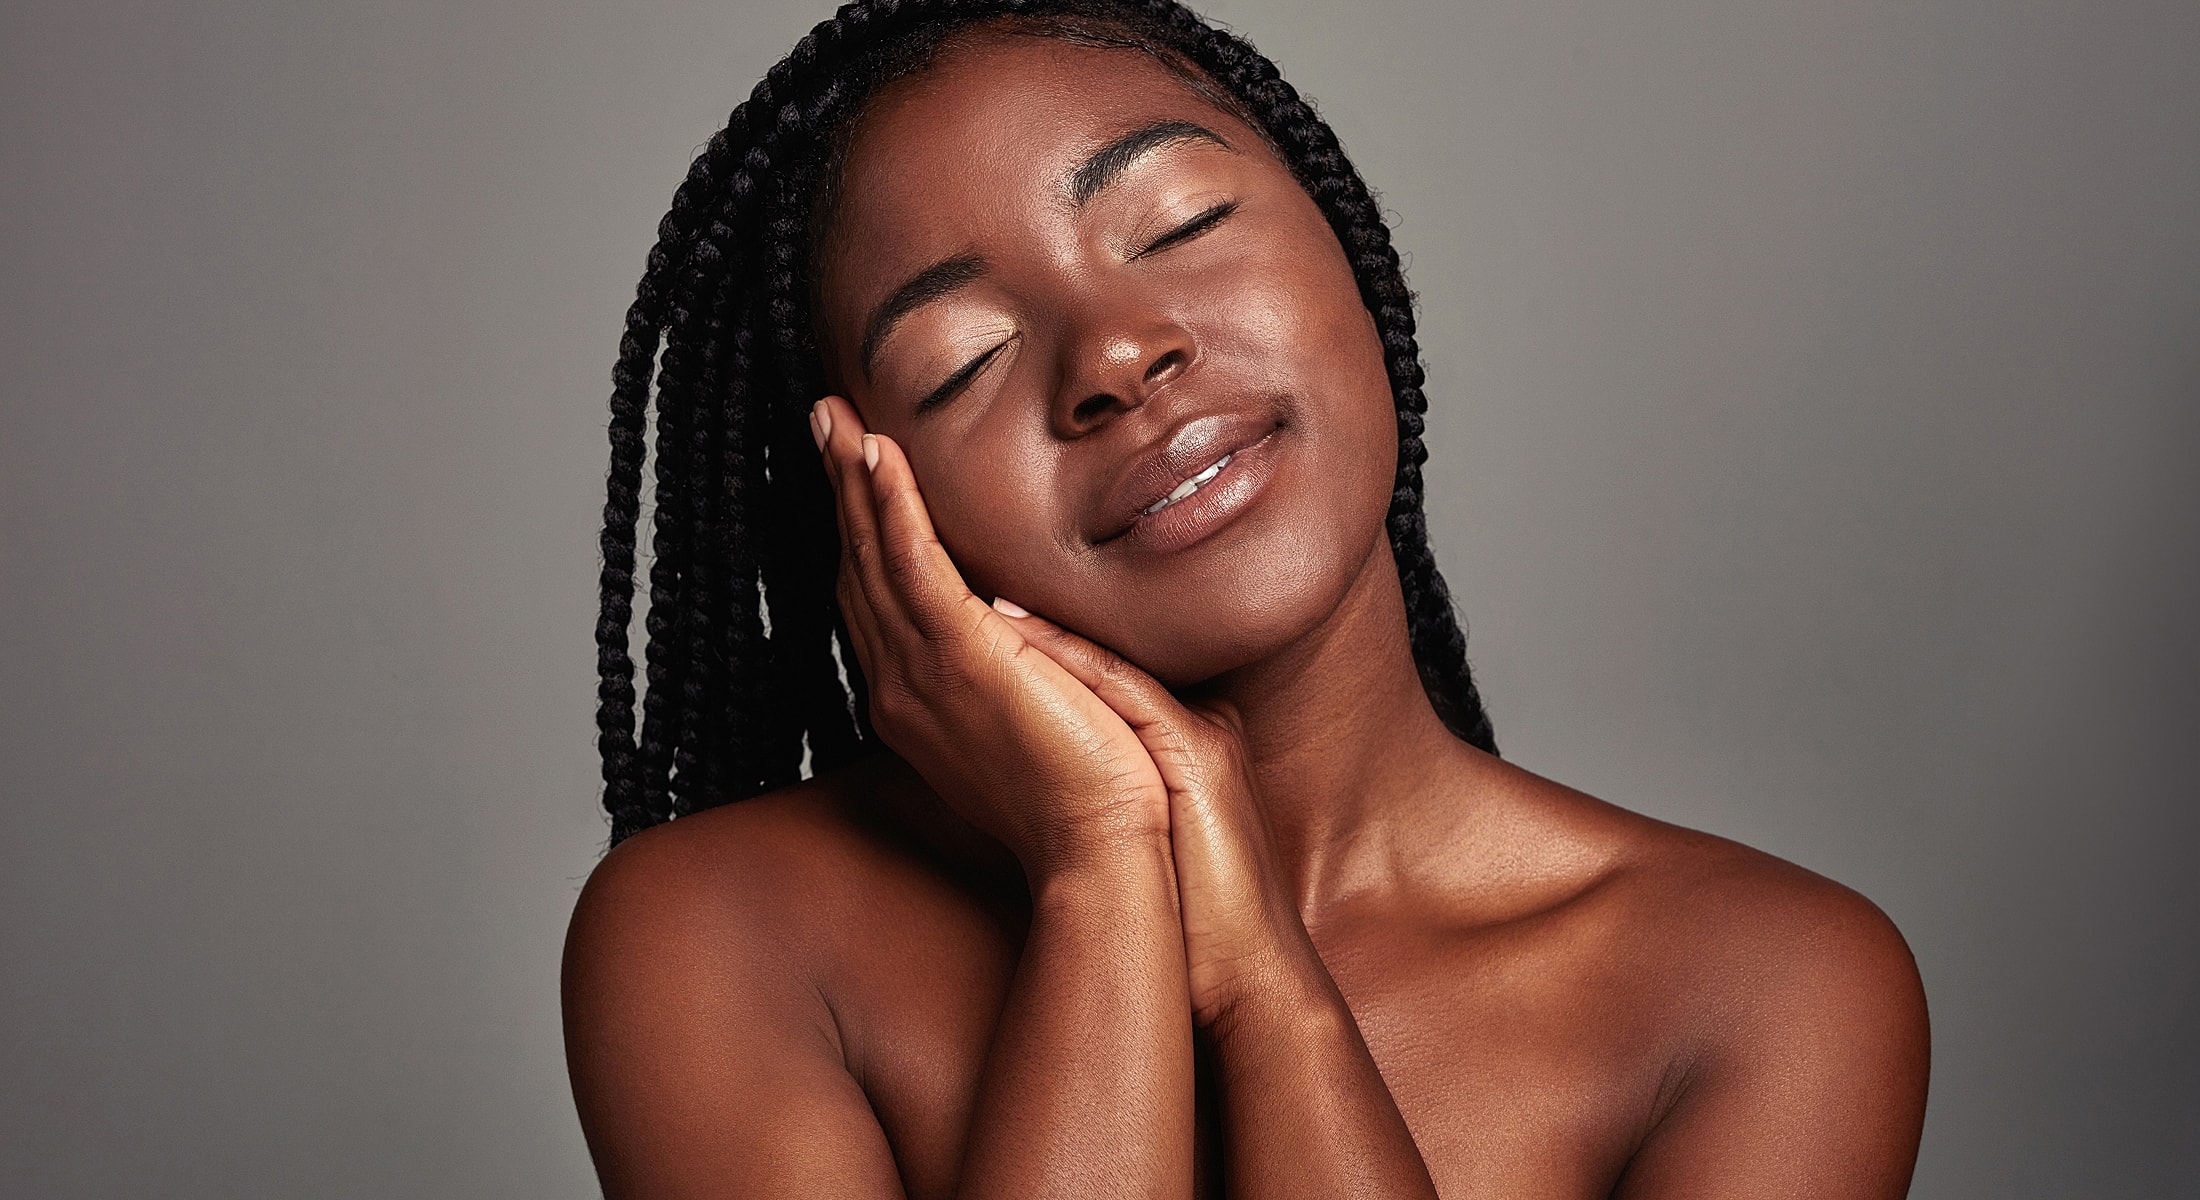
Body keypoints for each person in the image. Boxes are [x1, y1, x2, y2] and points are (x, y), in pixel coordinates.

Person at [561, 2, 1931, 1196]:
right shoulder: (719, 938)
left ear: (1345, 243)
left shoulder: (1762, 990)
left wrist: (1270, 999)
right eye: (962, 360)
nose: (1115, 353)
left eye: (1181, 223)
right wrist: (1100, 868)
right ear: (868, 504)